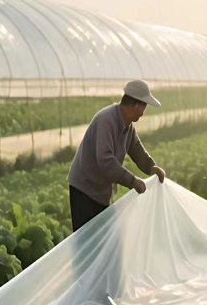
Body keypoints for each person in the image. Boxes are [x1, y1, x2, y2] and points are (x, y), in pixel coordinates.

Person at [68, 79, 166, 232]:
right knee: (86, 241)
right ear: (136, 105)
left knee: (105, 241)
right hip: (84, 189)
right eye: (144, 107)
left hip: (101, 190)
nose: (143, 112)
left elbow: (136, 149)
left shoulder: (128, 126)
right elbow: (105, 161)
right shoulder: (106, 121)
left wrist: (151, 167)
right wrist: (132, 181)